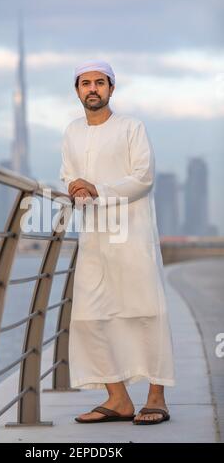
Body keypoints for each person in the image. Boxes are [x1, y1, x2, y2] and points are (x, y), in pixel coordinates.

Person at [59, 59, 175, 425]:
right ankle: (118, 399)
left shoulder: (131, 127)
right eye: (85, 83)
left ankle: (156, 398)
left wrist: (99, 189)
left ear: (111, 88)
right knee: (89, 315)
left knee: (145, 311)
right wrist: (74, 187)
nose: (92, 89)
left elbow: (143, 178)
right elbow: (67, 174)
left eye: (99, 82)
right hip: (93, 236)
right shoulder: (71, 132)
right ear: (77, 90)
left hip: (133, 233)